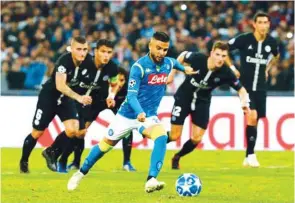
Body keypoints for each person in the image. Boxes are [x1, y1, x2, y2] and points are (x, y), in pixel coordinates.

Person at [67, 32, 196, 193]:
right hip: (127, 115)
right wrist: (139, 112)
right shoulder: (139, 67)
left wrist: (184, 69)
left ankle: (151, 179)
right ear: (150, 46)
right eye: (158, 48)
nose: (162, 53)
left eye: (165, 49)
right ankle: (80, 173)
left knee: (161, 137)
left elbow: (174, 63)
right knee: (105, 146)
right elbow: (131, 95)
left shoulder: (168, 62)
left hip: (148, 116)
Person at [166, 41, 250, 170]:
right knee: (174, 136)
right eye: (217, 54)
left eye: (223, 56)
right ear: (211, 53)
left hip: (202, 102)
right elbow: (182, 55)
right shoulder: (198, 59)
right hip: (184, 97)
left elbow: (241, 90)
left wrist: (245, 103)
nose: (220, 59)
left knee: (196, 138)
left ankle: (177, 156)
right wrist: (171, 74)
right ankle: (157, 137)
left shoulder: (226, 72)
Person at [19, 36, 93, 173]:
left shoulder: (89, 61)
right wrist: (79, 97)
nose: (82, 53)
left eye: (85, 49)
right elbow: (60, 86)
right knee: (37, 132)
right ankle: (24, 160)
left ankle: (51, 152)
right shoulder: (63, 61)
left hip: (65, 99)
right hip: (49, 97)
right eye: (79, 49)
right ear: (72, 49)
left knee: (73, 130)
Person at [226, 12, 279, 167]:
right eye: (260, 22)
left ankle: (248, 154)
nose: (263, 25)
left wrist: (267, 68)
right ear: (254, 24)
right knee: (253, 116)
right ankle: (251, 154)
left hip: (261, 87)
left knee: (255, 120)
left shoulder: (271, 42)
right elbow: (225, 48)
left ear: (269, 25)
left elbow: (276, 56)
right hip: (245, 87)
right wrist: (232, 67)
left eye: (266, 22)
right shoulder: (244, 39)